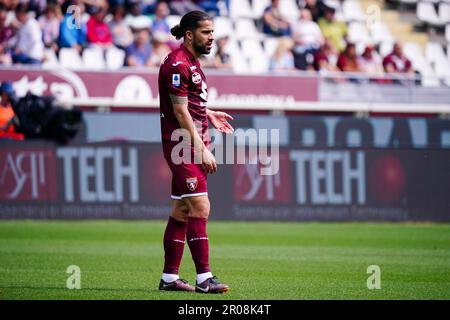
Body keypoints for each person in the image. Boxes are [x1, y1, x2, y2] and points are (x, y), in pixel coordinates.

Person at [158, 10, 233, 293]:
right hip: (183, 146)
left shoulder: (189, 62)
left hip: (189, 142)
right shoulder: (178, 65)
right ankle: (205, 279)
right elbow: (178, 111)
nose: (211, 37)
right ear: (189, 35)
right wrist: (201, 150)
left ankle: (169, 278)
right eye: (205, 32)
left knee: (180, 211)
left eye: (212, 32)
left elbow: (187, 104)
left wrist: (207, 113)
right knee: (200, 207)